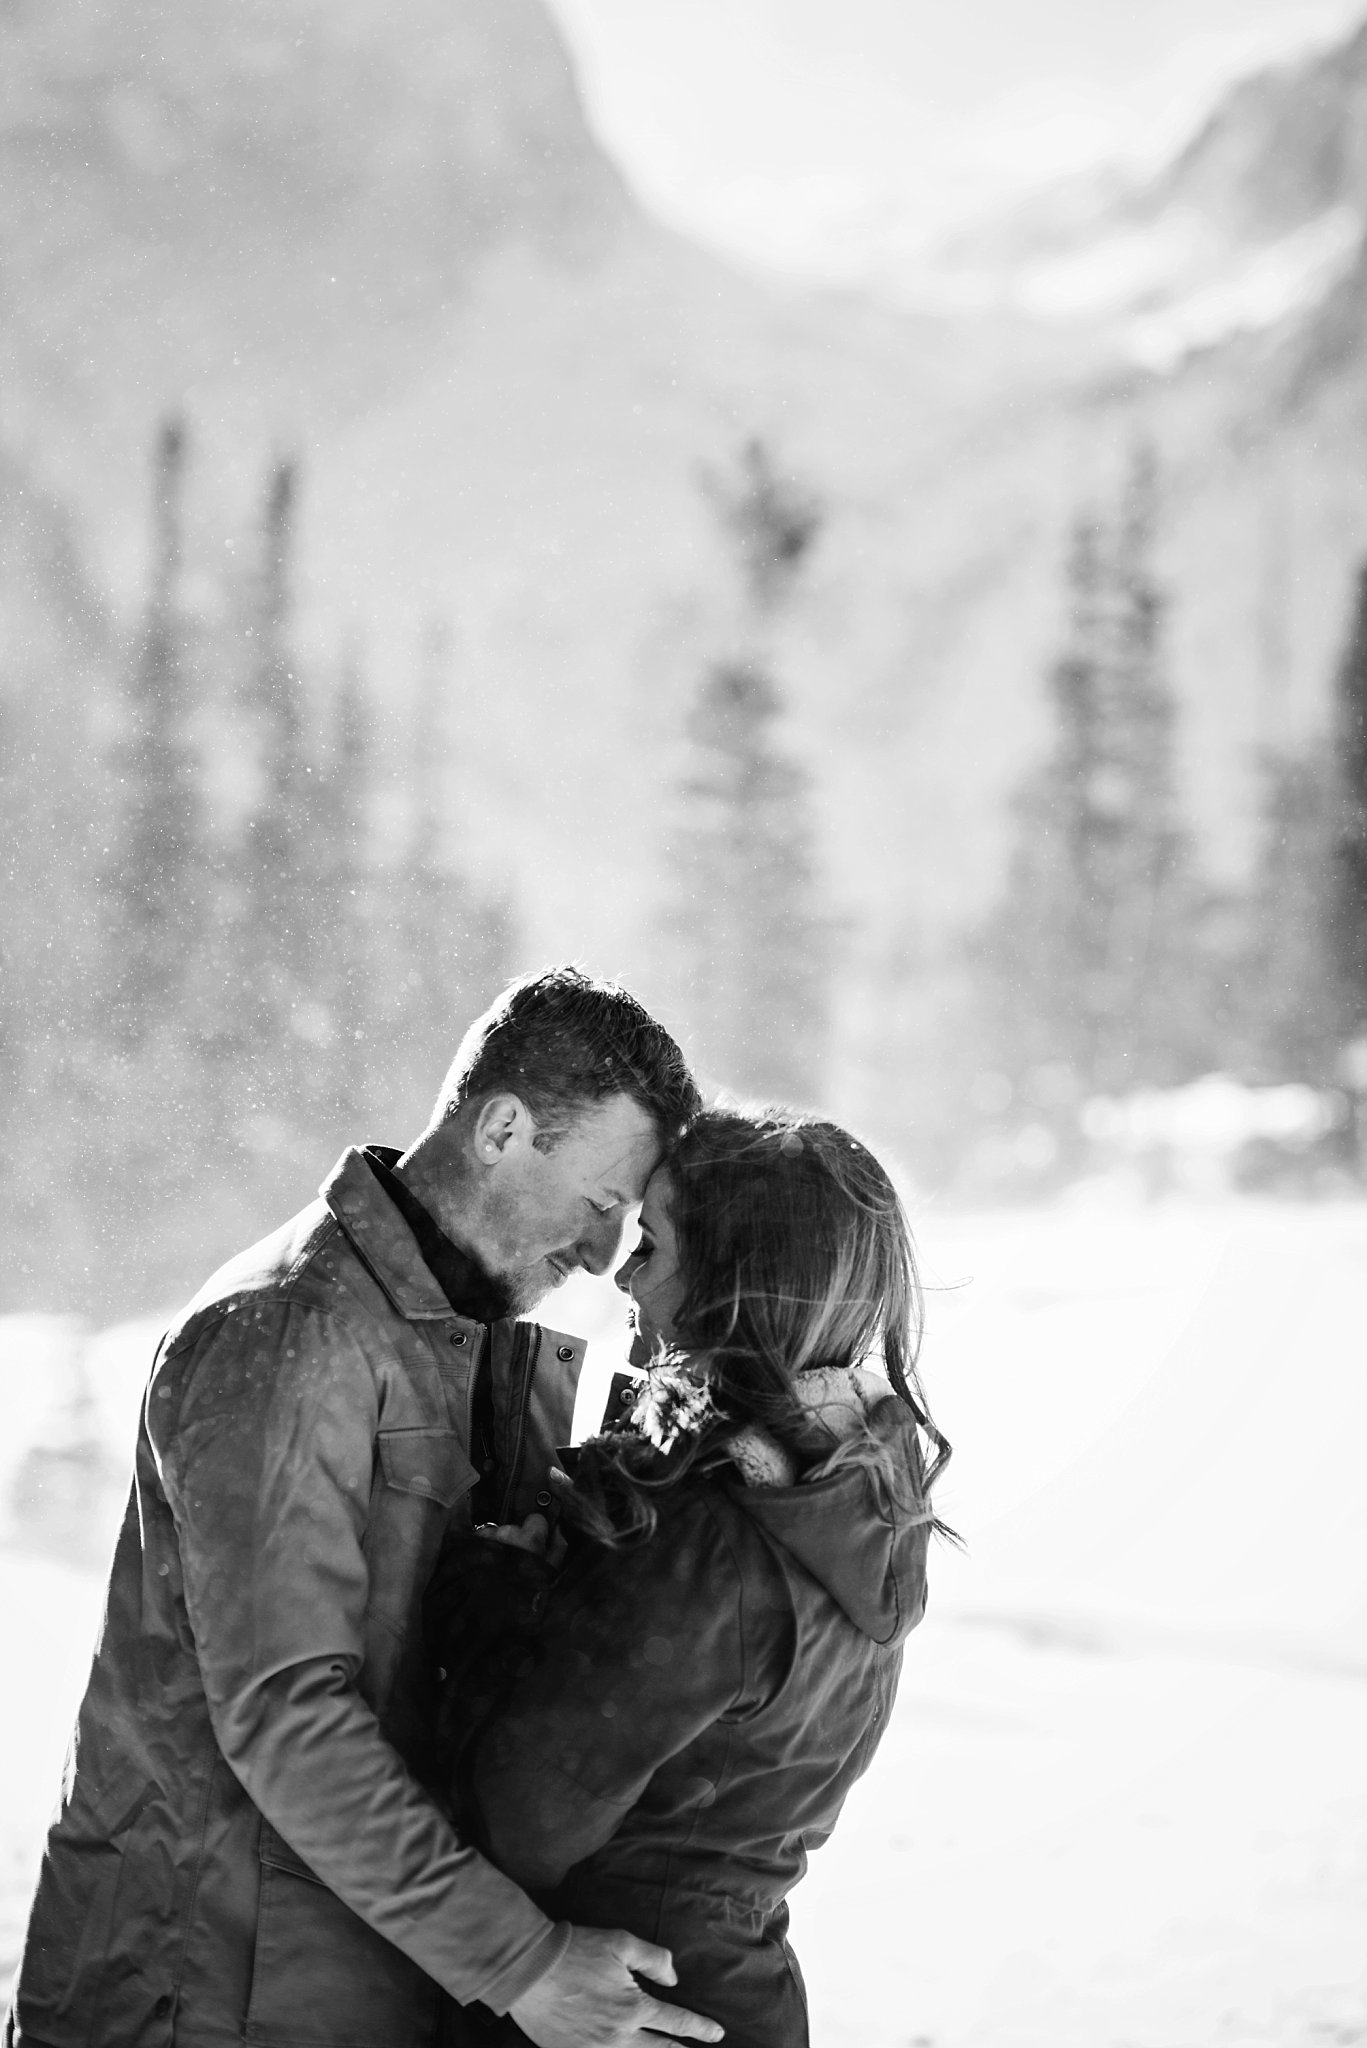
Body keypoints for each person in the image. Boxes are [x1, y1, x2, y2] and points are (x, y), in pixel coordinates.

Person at [5, 967, 724, 2048]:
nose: (596, 1254)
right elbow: (287, 1714)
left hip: (319, 1980)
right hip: (195, 1994)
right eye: (598, 1204)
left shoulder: (454, 1336)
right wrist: (522, 1963)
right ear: (501, 1127)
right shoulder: (292, 1329)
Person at [434, 1106, 954, 2048]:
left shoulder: (714, 1538)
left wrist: (491, 1590)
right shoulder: (861, 1503)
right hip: (733, 1995)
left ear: (732, 1286)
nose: (624, 1276)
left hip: (627, 2003)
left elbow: (520, 1817)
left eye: (655, 1247)